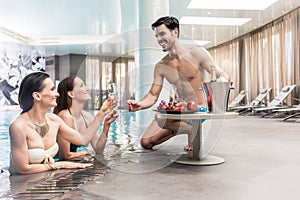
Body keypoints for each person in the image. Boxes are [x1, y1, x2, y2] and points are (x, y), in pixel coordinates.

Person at [127, 16, 230, 151]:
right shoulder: (161, 65)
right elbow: (153, 95)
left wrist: (220, 84)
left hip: (198, 108)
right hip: (178, 110)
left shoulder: (197, 53)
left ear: (175, 32)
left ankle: (191, 128)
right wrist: (140, 104)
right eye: (157, 36)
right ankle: (190, 129)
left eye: (162, 34)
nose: (159, 39)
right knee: (145, 142)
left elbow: (222, 74)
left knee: (160, 118)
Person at [9, 72, 113, 175]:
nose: (57, 94)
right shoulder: (18, 127)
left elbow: (83, 139)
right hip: (22, 186)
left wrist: (101, 115)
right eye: (52, 89)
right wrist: (60, 165)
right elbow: (22, 169)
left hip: (47, 180)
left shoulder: (54, 120)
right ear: (37, 96)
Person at [53, 75, 118, 160]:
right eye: (81, 85)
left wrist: (106, 125)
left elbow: (98, 149)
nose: (87, 89)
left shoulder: (87, 117)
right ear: (71, 94)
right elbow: (65, 155)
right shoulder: (65, 116)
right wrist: (87, 153)